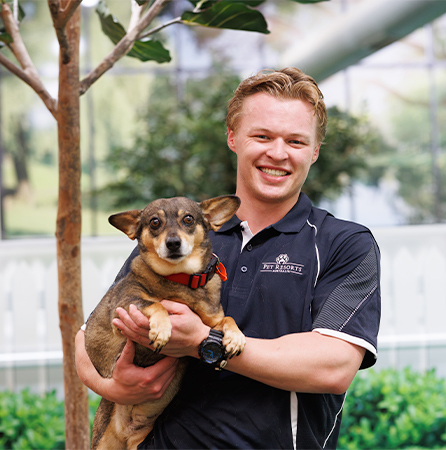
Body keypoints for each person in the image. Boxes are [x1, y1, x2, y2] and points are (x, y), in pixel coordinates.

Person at [75, 67, 381, 449]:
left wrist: (204, 341)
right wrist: (114, 384)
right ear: (233, 138)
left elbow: (334, 367)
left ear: (315, 151)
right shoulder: (181, 237)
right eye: (262, 136)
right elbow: (89, 335)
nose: (278, 153)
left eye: (296, 141)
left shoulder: (345, 244)